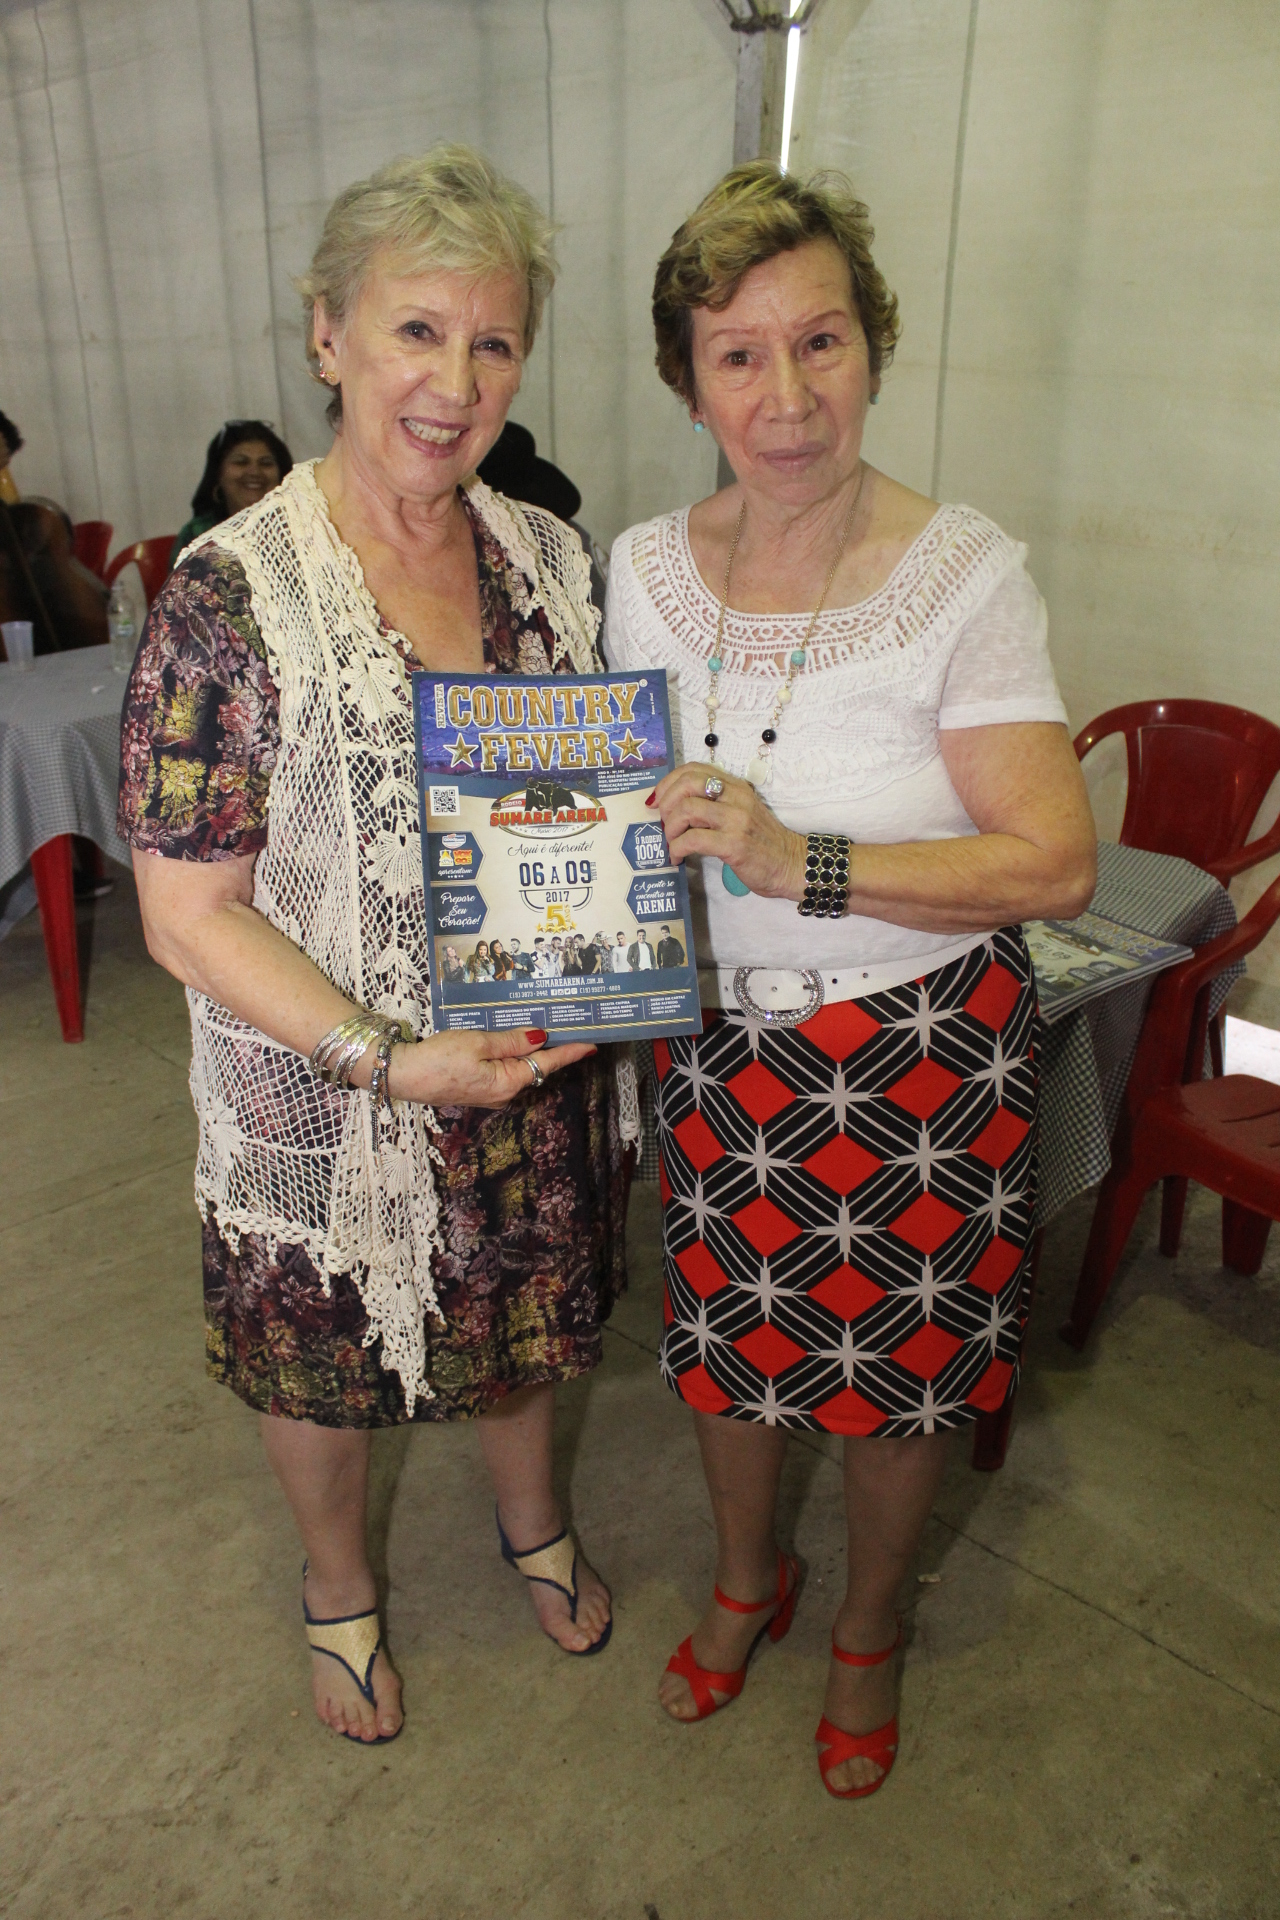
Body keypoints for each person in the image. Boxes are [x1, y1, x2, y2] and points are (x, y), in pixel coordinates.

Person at [119, 146, 633, 1746]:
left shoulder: (544, 556)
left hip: (531, 1050)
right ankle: (338, 1587)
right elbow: (186, 911)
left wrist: (618, 929)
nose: (454, 381)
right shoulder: (231, 597)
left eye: (493, 343)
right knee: (317, 1362)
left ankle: (531, 1521)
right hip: (325, 1092)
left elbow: (578, 797)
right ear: (328, 334)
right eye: (417, 332)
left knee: (528, 1312)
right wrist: (387, 1058)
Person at [605, 161, 1095, 1799]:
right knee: (728, 1354)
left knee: (899, 1383)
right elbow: (619, 810)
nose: (788, 394)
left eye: (821, 341)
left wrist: (794, 855)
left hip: (918, 1045)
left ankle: (872, 1622)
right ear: (688, 379)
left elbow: (1050, 861)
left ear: (874, 348)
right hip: (709, 1047)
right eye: (738, 354)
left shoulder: (963, 575)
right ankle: (754, 1581)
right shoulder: (640, 568)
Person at [171, 420, 294, 565]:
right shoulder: (197, 534)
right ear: (218, 475)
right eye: (241, 462)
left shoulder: (298, 529)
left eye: (266, 463)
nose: (254, 471)